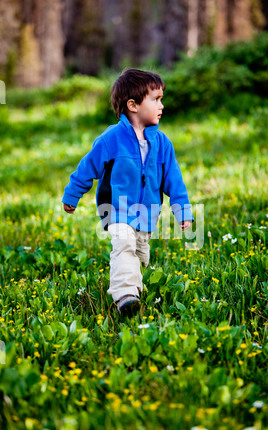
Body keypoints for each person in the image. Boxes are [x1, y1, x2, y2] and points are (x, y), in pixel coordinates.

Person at [62, 69, 194, 315]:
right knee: (123, 244)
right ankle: (125, 296)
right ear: (132, 105)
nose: (161, 105)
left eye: (161, 98)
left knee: (140, 254)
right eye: (155, 99)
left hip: (147, 214)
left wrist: (182, 211)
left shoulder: (162, 143)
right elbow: (87, 167)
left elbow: (173, 180)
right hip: (116, 208)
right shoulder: (111, 139)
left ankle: (134, 288)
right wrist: (73, 194)